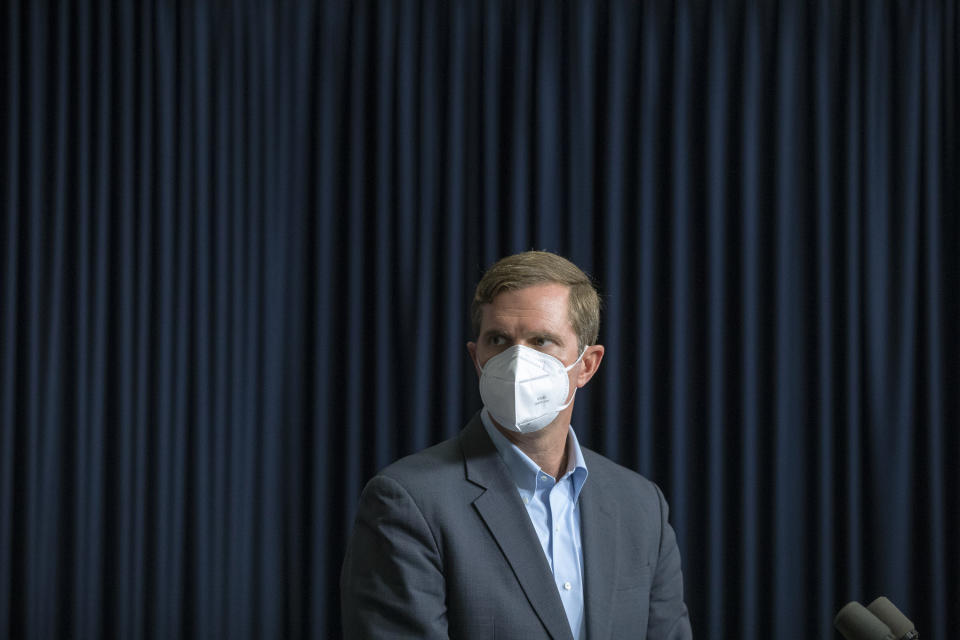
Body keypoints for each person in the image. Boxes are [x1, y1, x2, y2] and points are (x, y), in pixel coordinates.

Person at [340, 251, 692, 639]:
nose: (518, 360)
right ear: (477, 359)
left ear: (586, 365)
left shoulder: (641, 506)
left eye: (542, 341)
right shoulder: (409, 502)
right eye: (499, 340)